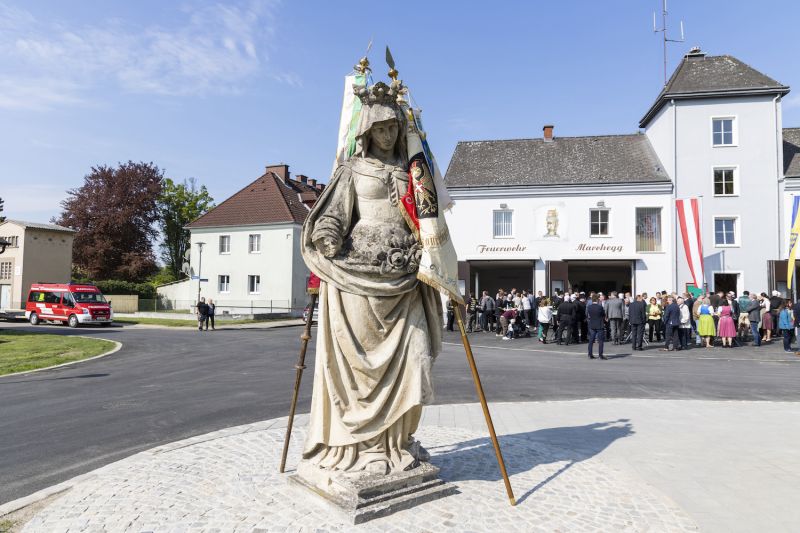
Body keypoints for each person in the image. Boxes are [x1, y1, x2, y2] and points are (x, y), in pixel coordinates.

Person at [298, 76, 445, 475]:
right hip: (359, 279)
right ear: (366, 131)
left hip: (407, 278)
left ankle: (399, 442)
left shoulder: (414, 173)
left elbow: (429, 219)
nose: (387, 134)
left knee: (416, 360)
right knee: (362, 372)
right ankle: (364, 448)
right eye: (379, 128)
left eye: (392, 127)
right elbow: (331, 216)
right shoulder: (353, 170)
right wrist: (328, 236)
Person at [586, 295, 607, 359]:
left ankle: (590, 354)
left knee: (591, 340)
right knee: (600, 341)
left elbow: (587, 314)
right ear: (597, 300)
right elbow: (603, 314)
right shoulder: (600, 307)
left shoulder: (589, 307)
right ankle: (600, 355)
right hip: (599, 324)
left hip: (592, 324)